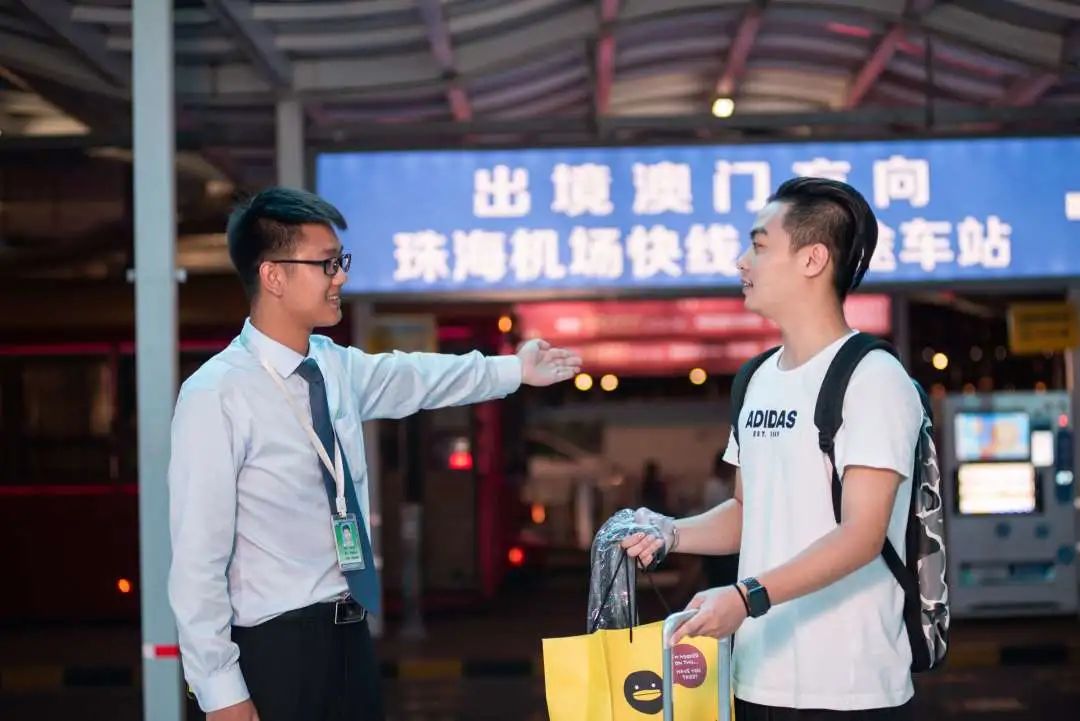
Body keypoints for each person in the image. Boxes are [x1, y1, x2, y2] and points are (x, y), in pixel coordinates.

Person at [167, 187, 582, 721]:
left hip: (349, 639)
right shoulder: (216, 394)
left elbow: (415, 376)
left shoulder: (331, 365)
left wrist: (514, 370)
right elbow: (196, 560)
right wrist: (220, 691)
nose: (340, 277)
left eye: (340, 262)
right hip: (275, 648)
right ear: (273, 276)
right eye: (326, 264)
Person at [622, 177, 922, 720]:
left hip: (849, 688)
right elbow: (747, 512)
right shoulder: (756, 379)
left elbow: (861, 535)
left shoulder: (873, 377)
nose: (742, 262)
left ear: (812, 259)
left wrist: (746, 597)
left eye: (759, 246)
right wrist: (670, 532)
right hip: (758, 677)